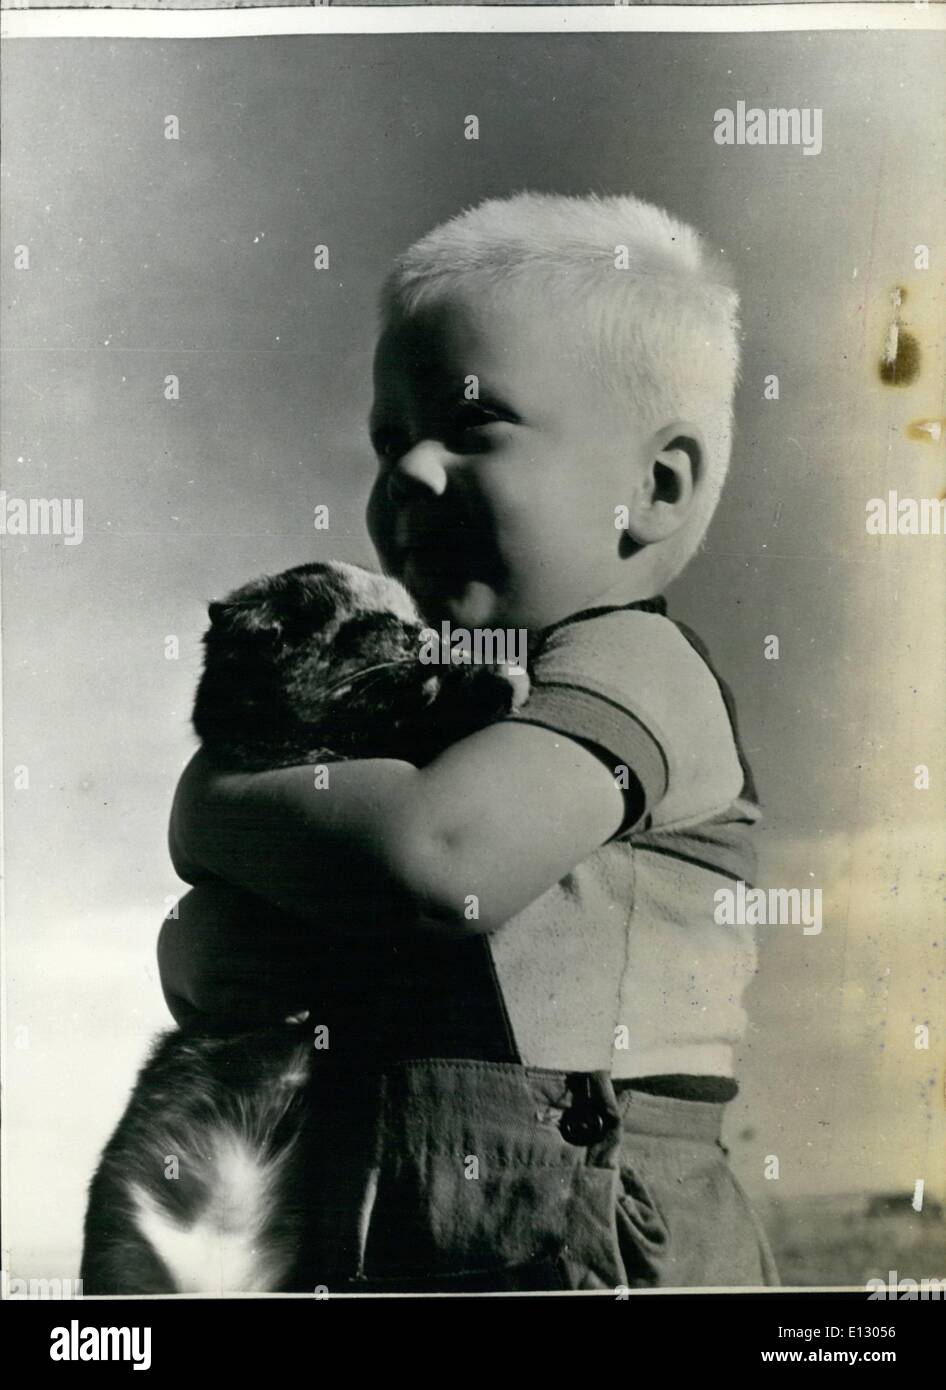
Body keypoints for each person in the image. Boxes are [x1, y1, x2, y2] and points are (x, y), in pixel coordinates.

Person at [159, 192, 779, 1291]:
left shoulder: (637, 665)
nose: (406, 472)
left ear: (655, 487)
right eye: (390, 439)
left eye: (472, 424)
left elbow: (439, 865)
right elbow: (231, 946)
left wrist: (209, 805)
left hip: (588, 1235)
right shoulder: (451, 715)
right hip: (394, 1228)